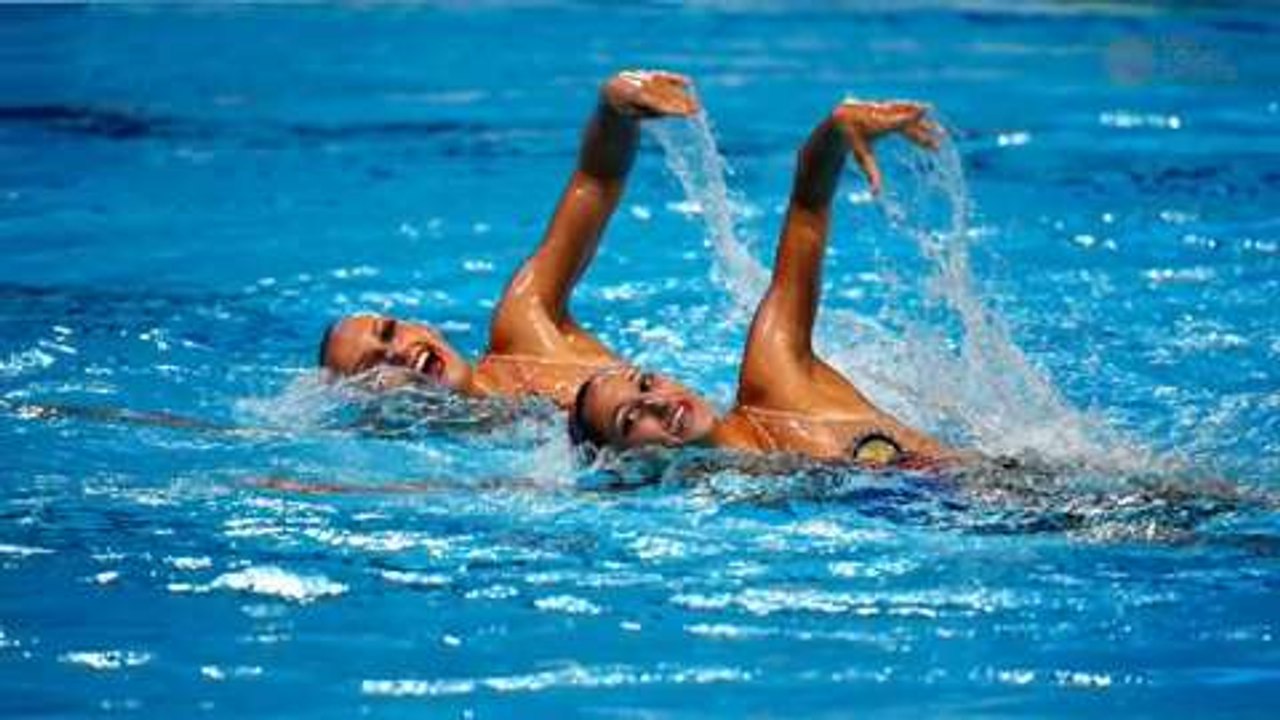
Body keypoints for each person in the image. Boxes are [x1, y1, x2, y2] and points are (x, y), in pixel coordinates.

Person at [569, 98, 960, 468]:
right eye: (630, 420)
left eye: (646, 383)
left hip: (1009, 495)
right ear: (623, 462)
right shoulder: (730, 494)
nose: (656, 403)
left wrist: (835, 133)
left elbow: (807, 209)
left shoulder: (777, 378)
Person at [317, 70, 698, 407]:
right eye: (373, 367)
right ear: (369, 404)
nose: (398, 353)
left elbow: (596, 181)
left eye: (389, 333)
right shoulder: (456, 468)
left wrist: (613, 108)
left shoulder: (528, 324)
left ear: (426, 326)